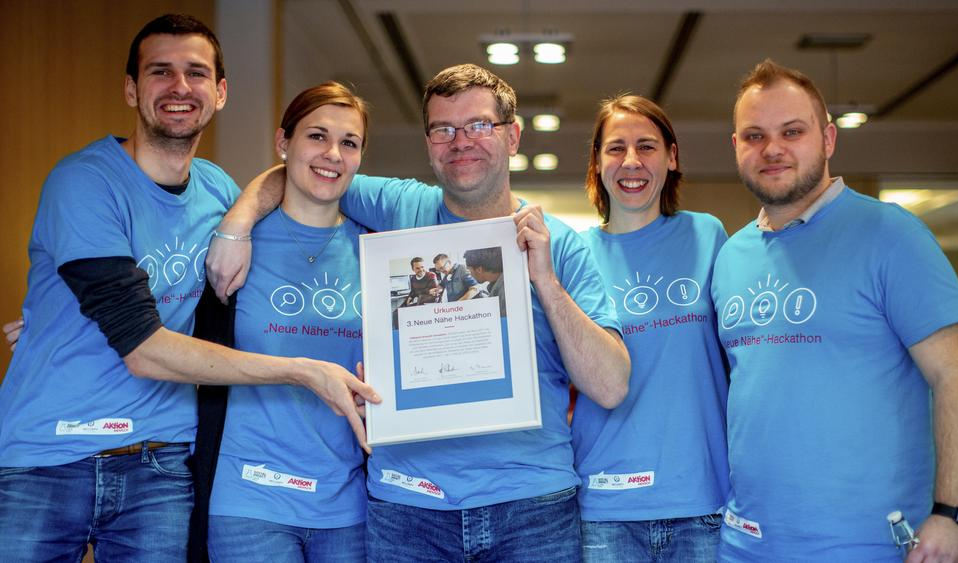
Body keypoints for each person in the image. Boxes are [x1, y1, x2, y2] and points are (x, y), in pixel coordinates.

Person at [206, 63, 630, 561]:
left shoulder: (558, 243)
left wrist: (544, 280)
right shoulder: (401, 206)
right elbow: (309, 170)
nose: (460, 141)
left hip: (531, 507)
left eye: (478, 125)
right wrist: (236, 224)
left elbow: (609, 385)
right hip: (409, 506)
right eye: (443, 129)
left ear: (512, 136)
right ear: (429, 142)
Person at [0, 15, 376, 562]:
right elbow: (141, 347)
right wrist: (300, 370)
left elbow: (292, 173)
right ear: (132, 88)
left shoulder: (218, 191)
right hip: (50, 452)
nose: (180, 87)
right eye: (161, 72)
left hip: (161, 462)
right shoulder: (83, 181)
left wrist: (240, 217)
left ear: (220, 92)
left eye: (196, 73)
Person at [710, 59, 958, 561]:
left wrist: (954, 513)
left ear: (828, 139)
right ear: (736, 147)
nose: (772, 149)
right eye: (754, 136)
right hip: (744, 542)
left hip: (868, 543)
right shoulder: (731, 255)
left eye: (792, 131)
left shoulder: (891, 235)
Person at [202, 81, 372, 562]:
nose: (333, 153)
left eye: (349, 142)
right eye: (317, 136)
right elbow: (161, 313)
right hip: (248, 499)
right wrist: (65, 323)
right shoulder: (232, 241)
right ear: (283, 143)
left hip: (348, 506)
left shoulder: (378, 250)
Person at [573, 94, 729, 562]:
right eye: (616, 148)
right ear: (598, 162)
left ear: (672, 156)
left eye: (647, 146)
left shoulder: (708, 235)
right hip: (605, 505)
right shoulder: (573, 257)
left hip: (703, 500)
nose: (631, 161)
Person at [464, 246, 506, 312]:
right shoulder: (499, 284)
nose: (470, 274)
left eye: (469, 270)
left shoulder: (503, 293)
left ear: (479, 270)